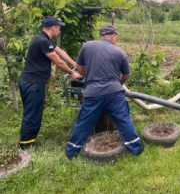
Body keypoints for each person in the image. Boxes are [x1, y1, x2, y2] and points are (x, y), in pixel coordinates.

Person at [65, 25, 143, 159]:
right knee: (124, 119)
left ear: (101, 35)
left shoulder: (87, 46)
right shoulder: (120, 52)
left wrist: (88, 77)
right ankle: (136, 148)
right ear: (112, 36)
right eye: (116, 36)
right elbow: (126, 75)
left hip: (92, 92)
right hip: (114, 92)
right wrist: (118, 84)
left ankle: (72, 151)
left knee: (83, 121)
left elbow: (80, 68)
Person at [18, 16, 81, 149]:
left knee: (33, 111)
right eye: (59, 28)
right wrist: (72, 73)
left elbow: (61, 52)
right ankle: (25, 144)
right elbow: (57, 61)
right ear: (53, 28)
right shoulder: (43, 42)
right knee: (33, 113)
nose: (59, 30)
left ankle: (29, 140)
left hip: (29, 81)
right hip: (33, 83)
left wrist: (76, 64)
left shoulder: (43, 39)